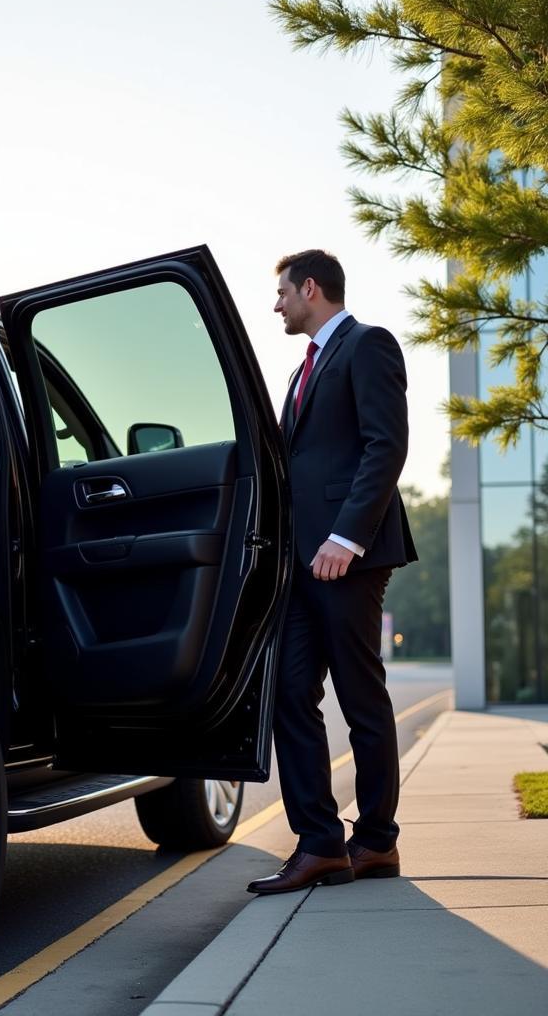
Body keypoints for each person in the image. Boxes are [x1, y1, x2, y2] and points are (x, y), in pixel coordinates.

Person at [247, 249, 418, 895]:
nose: (278, 304)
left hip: (349, 556)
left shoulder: (367, 345)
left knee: (361, 695)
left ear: (311, 288)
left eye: (283, 292)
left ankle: (376, 841)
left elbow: (386, 444)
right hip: (300, 561)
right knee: (290, 693)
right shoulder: (302, 370)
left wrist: (347, 537)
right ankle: (320, 844)